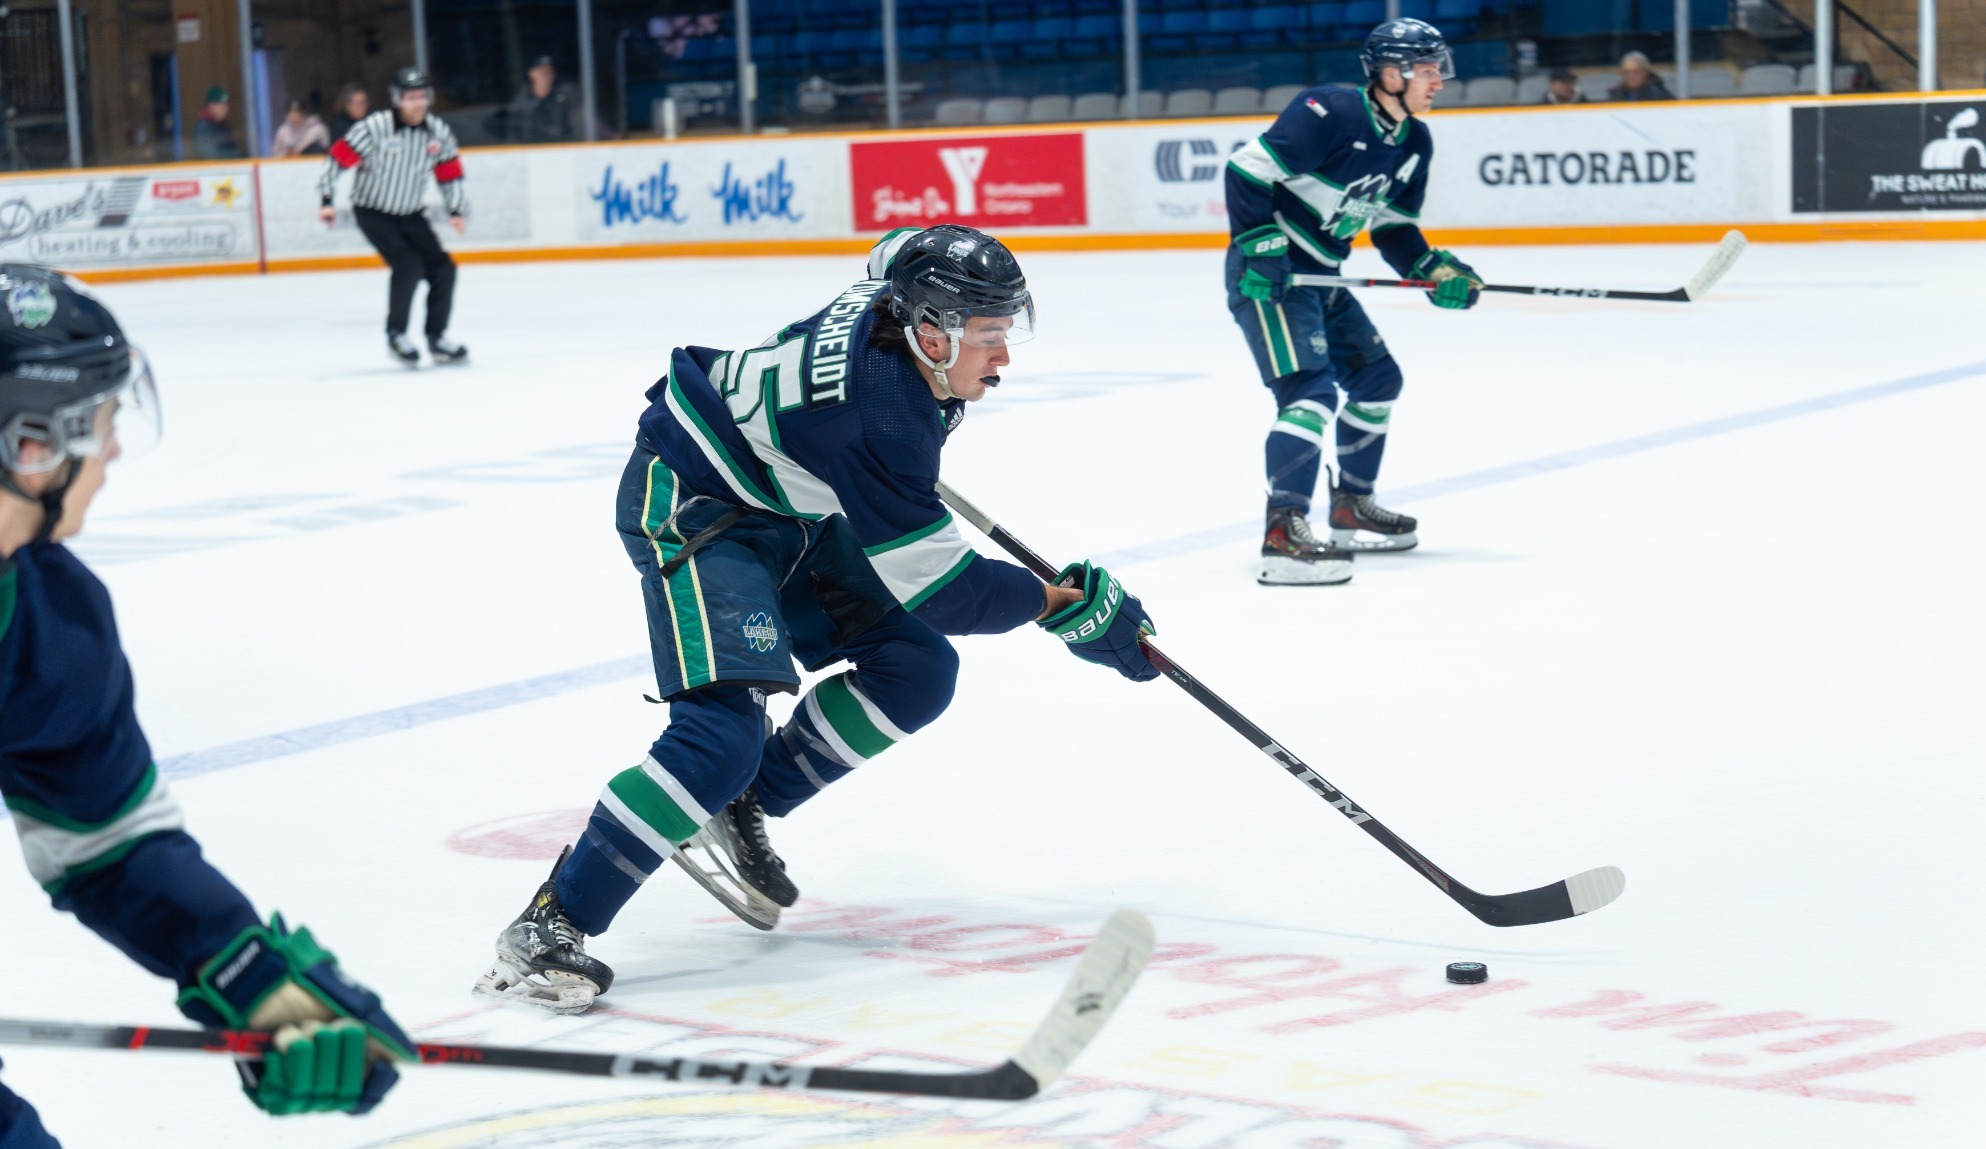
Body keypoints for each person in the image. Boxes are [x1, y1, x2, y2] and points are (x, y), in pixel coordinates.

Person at [472, 225, 1163, 1014]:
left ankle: (744, 801)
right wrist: (1057, 606)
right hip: (701, 504)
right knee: (719, 736)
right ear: (929, 331)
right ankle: (550, 921)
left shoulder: (895, 301)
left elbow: (893, 249)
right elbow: (946, 590)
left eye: (1006, 331)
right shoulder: (879, 419)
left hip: (790, 502)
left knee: (918, 669)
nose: (1002, 357)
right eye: (988, 337)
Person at [0, 266, 414, 1140]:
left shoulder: (47, 622)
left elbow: (104, 840)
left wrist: (248, 971)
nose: (111, 452)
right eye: (103, 423)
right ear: (30, 443)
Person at [1222, 18, 1481, 585]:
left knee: (1377, 380)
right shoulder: (1330, 111)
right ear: (1392, 73)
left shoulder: (1414, 141)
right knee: (1309, 391)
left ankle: (1349, 508)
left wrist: (1432, 269)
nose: (1440, 81)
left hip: (1322, 278)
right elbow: (1246, 171)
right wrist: (1263, 250)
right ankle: (1283, 534)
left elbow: (1393, 230)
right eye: (1430, 70)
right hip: (1270, 277)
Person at [318, 66, 469, 368]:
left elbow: (449, 172)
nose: (417, 103)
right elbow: (336, 160)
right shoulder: (375, 127)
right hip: (373, 211)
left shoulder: (436, 131)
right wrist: (327, 199)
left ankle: (436, 337)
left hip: (411, 213)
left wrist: (455, 209)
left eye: (422, 96)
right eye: (410, 97)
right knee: (408, 265)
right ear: (398, 99)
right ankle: (396, 335)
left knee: (444, 269)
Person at [497, 56, 579, 143]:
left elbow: (577, 132)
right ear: (532, 73)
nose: (546, 76)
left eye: (550, 72)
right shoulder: (519, 104)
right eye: (542, 72)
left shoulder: (566, 101)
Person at [190, 86, 243, 159]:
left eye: (226, 104)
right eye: (220, 104)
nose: (225, 108)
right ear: (210, 106)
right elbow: (210, 156)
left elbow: (231, 147)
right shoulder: (203, 127)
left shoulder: (223, 125)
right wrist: (236, 155)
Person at [1609, 52, 1675, 101]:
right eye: (1627, 72)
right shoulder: (1616, 96)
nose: (1631, 76)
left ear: (1646, 72)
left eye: (1636, 72)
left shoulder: (1660, 96)